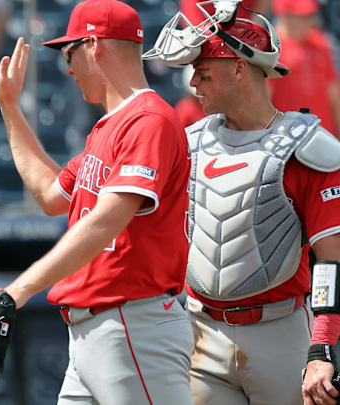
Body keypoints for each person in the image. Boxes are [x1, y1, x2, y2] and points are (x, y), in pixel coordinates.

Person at [0, 1, 194, 404]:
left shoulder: (149, 120)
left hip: (132, 325)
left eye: (70, 54)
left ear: (93, 45)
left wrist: (15, 292)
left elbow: (104, 222)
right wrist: (11, 110)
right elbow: (52, 196)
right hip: (95, 331)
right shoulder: (109, 128)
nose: (67, 69)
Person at [143, 3, 340, 404]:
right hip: (200, 333)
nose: (194, 82)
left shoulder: (306, 147)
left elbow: (331, 261)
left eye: (204, 72)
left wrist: (321, 347)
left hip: (281, 332)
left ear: (238, 69)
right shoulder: (187, 142)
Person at [268, 0, 340, 137]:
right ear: (285, 16)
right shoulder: (271, 51)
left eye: (310, 16)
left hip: (324, 136)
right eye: (303, 16)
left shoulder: (321, 42)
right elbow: (265, 99)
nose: (311, 21)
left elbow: (334, 93)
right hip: (286, 139)